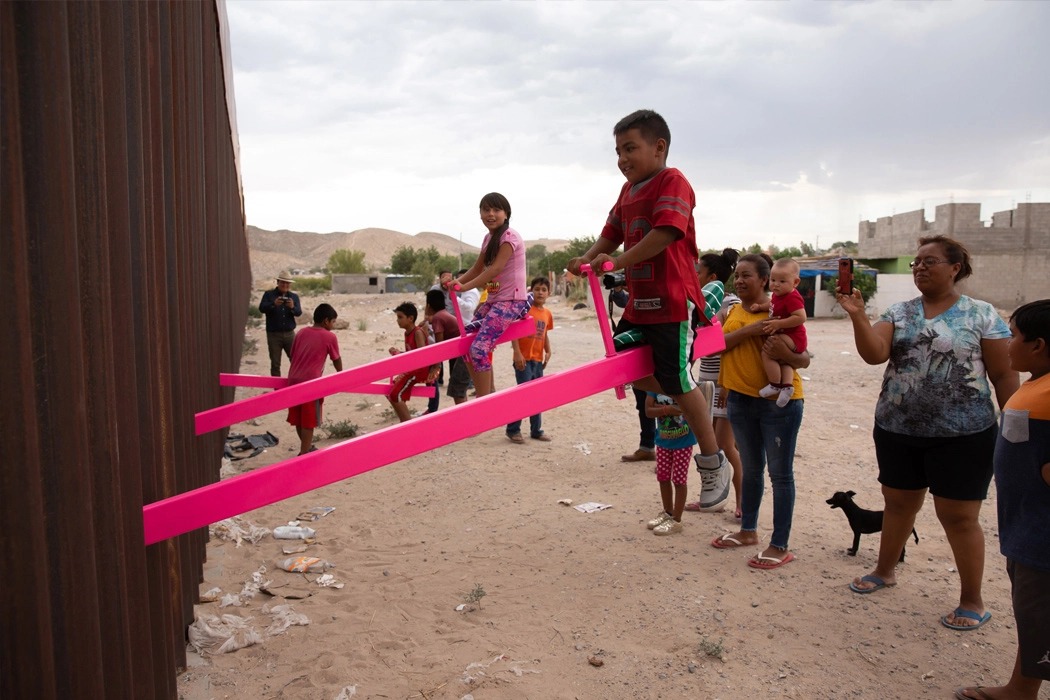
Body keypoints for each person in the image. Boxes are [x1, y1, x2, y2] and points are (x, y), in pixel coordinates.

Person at [840, 236, 1019, 631]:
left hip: (964, 434)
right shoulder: (899, 312)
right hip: (897, 428)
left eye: (930, 261)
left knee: (958, 517)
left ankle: (972, 599)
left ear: (955, 267)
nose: (920, 267)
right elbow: (874, 354)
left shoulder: (981, 314)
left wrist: (1019, 428)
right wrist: (856, 315)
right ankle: (885, 570)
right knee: (899, 504)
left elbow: (1004, 374)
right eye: (916, 262)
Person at [568, 109, 731, 511]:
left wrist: (616, 263)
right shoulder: (628, 193)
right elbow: (610, 234)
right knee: (620, 366)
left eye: (630, 148)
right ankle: (693, 394)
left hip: (672, 301)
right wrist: (586, 260)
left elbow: (665, 232)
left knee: (674, 378)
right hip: (641, 304)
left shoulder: (672, 181)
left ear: (659, 147)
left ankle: (712, 463)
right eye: (618, 151)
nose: (622, 158)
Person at [955, 299, 1050, 700]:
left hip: (1043, 535)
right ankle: (1021, 689)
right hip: (1026, 528)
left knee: (1041, 613)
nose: (1006, 344)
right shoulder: (1037, 383)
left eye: (1013, 336)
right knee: (1033, 617)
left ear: (1038, 345)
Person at [709, 253, 809, 569]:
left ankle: (779, 545)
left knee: (780, 475)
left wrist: (788, 354)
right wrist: (725, 385)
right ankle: (748, 531)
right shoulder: (733, 310)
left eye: (747, 275)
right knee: (751, 469)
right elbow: (717, 348)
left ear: (765, 280)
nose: (739, 280)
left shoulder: (781, 308)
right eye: (737, 275)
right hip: (740, 400)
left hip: (778, 403)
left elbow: (804, 358)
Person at [451, 193, 528, 398]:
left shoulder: (509, 237)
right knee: (467, 343)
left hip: (512, 301)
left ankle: (483, 400)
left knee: (479, 347)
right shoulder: (488, 238)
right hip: (495, 300)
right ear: (480, 214)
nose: (491, 214)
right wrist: (458, 283)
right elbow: (477, 268)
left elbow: (494, 270)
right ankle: (483, 393)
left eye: (496, 210)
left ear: (506, 214)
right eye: (486, 210)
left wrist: (465, 286)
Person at [686, 248, 743, 516]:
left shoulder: (729, 304)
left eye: (698, 271)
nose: (694, 275)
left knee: (725, 446)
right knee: (709, 443)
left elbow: (733, 343)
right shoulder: (699, 302)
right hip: (707, 379)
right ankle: (712, 496)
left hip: (724, 382)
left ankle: (741, 502)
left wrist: (728, 386)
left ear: (713, 276)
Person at [609, 282, 657, 463]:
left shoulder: (664, 295)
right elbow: (626, 301)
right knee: (644, 404)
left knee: (663, 404)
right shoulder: (640, 296)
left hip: (659, 358)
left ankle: (668, 454)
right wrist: (618, 289)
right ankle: (647, 447)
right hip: (640, 357)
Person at [751, 258, 808, 408]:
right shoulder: (778, 295)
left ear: (795, 282)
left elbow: (801, 317)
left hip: (794, 336)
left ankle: (775, 384)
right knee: (784, 360)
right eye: (773, 279)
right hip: (791, 336)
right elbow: (772, 305)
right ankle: (787, 387)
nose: (776, 284)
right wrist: (761, 307)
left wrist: (778, 324)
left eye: (782, 281)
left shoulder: (793, 297)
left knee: (768, 352)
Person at [286, 303, 342, 455]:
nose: (333, 325)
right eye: (333, 322)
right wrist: (341, 374)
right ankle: (304, 453)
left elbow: (292, 354)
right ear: (326, 321)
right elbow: (336, 358)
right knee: (309, 421)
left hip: (293, 380)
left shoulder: (301, 332)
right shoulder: (329, 336)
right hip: (311, 383)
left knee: (298, 418)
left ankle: (307, 447)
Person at [506, 276, 554, 444]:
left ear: (549, 293)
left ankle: (536, 430)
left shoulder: (547, 313)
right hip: (523, 360)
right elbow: (514, 331)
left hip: (537, 360)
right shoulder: (524, 310)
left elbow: (545, 333)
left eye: (544, 290)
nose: (540, 293)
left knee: (536, 396)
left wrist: (548, 351)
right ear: (530, 291)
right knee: (523, 395)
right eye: (537, 289)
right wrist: (517, 353)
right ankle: (513, 429)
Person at [645, 392, 697, 535]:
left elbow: (689, 407)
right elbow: (648, 410)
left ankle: (677, 520)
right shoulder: (653, 389)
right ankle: (668, 512)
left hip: (683, 442)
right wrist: (667, 409)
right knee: (663, 477)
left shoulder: (683, 386)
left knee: (679, 480)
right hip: (663, 440)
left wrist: (659, 408)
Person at [387, 302, 438, 422]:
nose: (397, 320)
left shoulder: (417, 333)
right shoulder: (407, 333)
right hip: (412, 369)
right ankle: (403, 419)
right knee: (390, 390)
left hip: (419, 371)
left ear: (410, 319)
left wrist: (399, 354)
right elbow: (411, 355)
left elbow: (421, 356)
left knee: (395, 394)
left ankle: (407, 423)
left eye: (400, 317)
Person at [424, 289, 469, 407]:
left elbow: (440, 346)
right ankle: (466, 414)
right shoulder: (443, 313)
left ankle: (465, 418)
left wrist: (436, 366)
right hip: (464, 351)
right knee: (460, 389)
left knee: (456, 390)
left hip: (464, 353)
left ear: (428, 305)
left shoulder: (438, 318)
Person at [259, 271, 303, 376]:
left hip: (290, 334)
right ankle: (277, 391)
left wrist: (292, 307)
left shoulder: (294, 297)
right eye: (283, 282)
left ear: (290, 285)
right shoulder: (268, 295)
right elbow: (261, 309)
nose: (285, 285)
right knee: (275, 364)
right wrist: (273, 304)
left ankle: (295, 386)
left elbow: (299, 313)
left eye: (287, 283)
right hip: (273, 335)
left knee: (296, 361)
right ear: (278, 282)